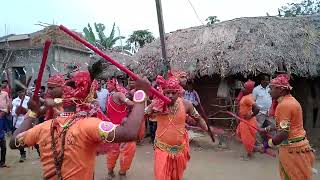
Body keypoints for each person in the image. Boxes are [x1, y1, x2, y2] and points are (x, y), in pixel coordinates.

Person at [9, 70, 151, 180]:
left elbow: (14, 142)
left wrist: (31, 114)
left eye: (53, 88)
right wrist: (141, 93)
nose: (49, 92)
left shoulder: (42, 127)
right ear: (84, 99)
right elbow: (129, 133)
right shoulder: (88, 125)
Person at [146, 75, 213, 180]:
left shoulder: (187, 104)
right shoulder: (156, 103)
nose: (170, 95)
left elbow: (198, 118)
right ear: (163, 92)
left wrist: (206, 128)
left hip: (179, 150)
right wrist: (149, 110)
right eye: (167, 92)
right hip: (162, 149)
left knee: (176, 177)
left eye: (173, 93)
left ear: (179, 92)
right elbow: (143, 115)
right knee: (161, 176)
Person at [262, 74, 315, 180]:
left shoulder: (283, 106)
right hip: (300, 147)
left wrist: (266, 145)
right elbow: (284, 125)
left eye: (271, 88)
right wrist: (267, 129)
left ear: (280, 90)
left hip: (292, 150)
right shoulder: (291, 101)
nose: (269, 91)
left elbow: (283, 134)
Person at [106, 78, 136, 180]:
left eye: (109, 84)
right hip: (119, 130)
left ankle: (112, 172)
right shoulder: (118, 94)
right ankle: (121, 173)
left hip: (114, 129)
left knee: (114, 151)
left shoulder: (112, 95)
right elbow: (129, 103)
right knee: (126, 150)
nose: (107, 86)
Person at [236, 80, 260, 160]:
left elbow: (257, 108)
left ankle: (249, 155)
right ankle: (252, 150)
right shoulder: (245, 96)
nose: (242, 88)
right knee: (240, 134)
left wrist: (251, 115)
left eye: (244, 87)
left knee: (247, 138)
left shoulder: (248, 98)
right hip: (244, 120)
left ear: (249, 89)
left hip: (247, 121)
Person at [11, 86, 30, 162]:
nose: (21, 93)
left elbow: (32, 110)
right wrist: (17, 111)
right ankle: (22, 154)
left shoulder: (28, 99)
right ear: (17, 93)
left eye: (22, 92)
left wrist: (25, 110)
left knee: (33, 137)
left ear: (24, 92)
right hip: (18, 123)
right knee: (18, 140)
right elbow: (12, 113)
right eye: (19, 92)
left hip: (28, 122)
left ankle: (39, 152)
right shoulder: (15, 101)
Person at [252, 75, 272, 144]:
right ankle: (258, 143)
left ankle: (271, 143)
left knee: (271, 127)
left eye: (268, 80)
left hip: (269, 112)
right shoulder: (256, 89)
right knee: (257, 128)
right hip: (260, 112)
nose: (268, 81)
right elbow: (253, 101)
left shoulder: (270, 88)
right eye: (266, 80)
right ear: (262, 81)